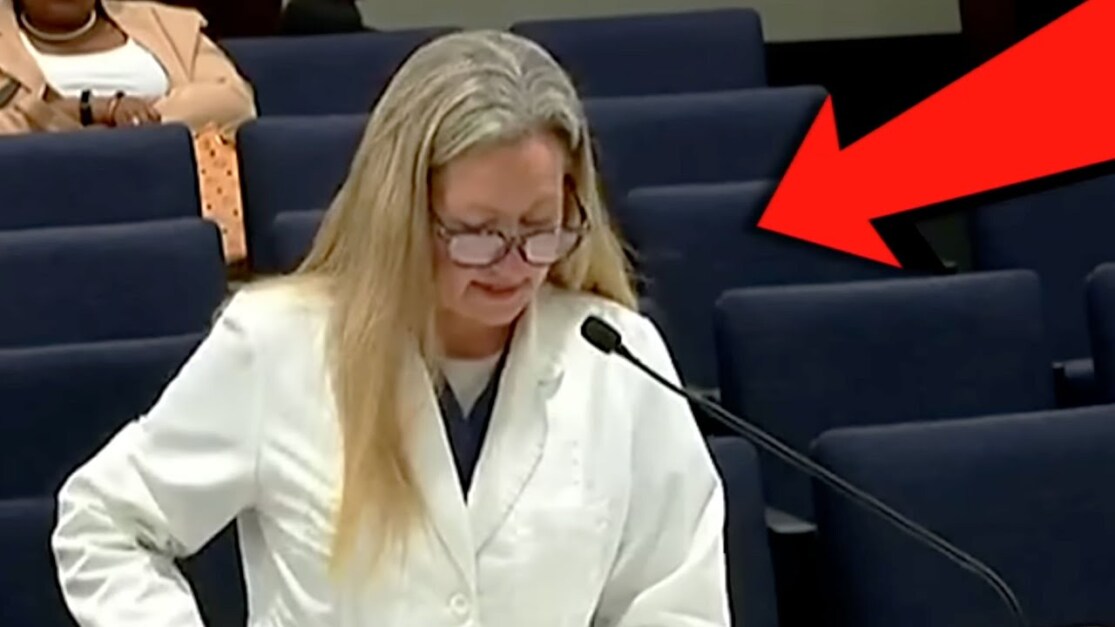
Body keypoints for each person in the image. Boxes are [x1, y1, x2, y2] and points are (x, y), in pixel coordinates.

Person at [50, 29, 730, 626]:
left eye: (539, 227)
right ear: (399, 212)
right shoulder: (277, 344)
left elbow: (675, 597)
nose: (514, 263)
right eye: (476, 231)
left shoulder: (617, 355)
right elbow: (104, 523)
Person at [0, 0, 255, 134]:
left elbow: (234, 101)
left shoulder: (167, 24)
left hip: (164, 176)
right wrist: (93, 111)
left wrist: (130, 121)